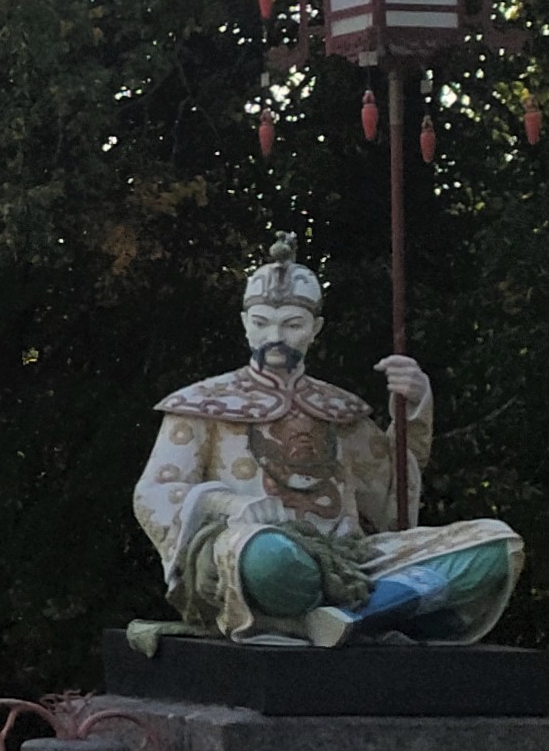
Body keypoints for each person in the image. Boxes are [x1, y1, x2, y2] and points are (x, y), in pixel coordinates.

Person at [131, 236, 521, 646]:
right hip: (253, 555)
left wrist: (414, 410)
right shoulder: (202, 406)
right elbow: (155, 492)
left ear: (315, 329)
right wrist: (230, 504)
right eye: (262, 323)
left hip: (351, 563)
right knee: (271, 556)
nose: (275, 336)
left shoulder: (340, 411)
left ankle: (344, 618)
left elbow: (391, 504)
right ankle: (371, 612)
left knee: (497, 545)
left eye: (292, 325)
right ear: (245, 324)